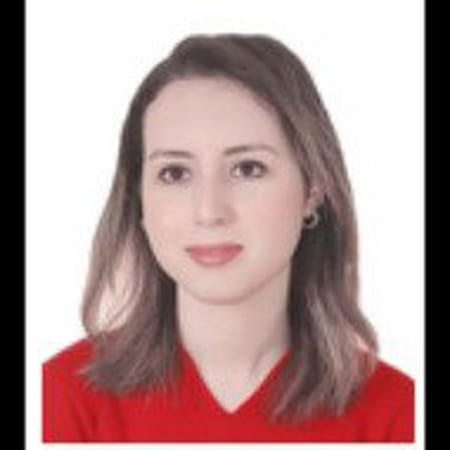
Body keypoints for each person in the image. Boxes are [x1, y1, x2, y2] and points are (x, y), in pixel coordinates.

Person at [42, 33, 414, 442]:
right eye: (175, 173)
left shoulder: (401, 414)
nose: (209, 211)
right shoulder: (56, 398)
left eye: (248, 169)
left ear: (313, 189)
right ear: (139, 199)